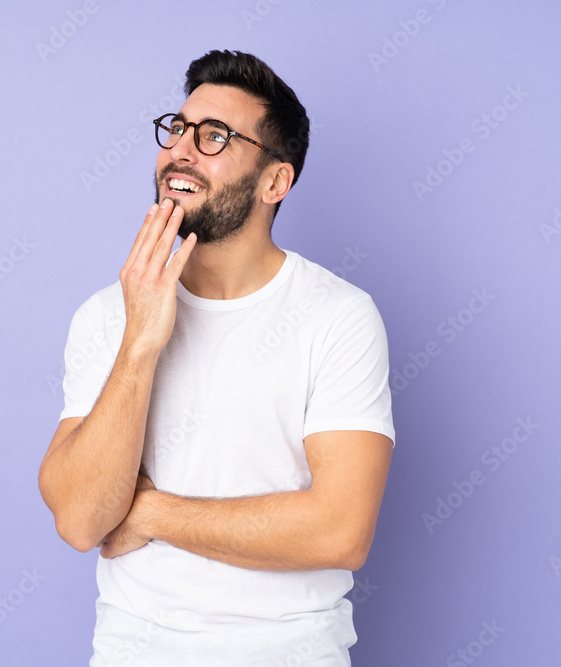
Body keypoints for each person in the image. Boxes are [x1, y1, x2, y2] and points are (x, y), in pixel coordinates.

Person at [38, 50, 395, 666]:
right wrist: (140, 343)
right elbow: (79, 519)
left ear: (275, 182)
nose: (181, 149)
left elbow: (341, 529)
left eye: (214, 137)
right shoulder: (109, 316)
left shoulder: (338, 316)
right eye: (177, 129)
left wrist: (148, 510)